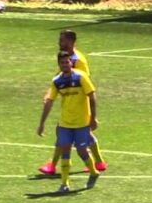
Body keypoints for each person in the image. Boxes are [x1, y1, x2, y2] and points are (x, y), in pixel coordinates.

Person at [39, 31, 107, 175]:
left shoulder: (78, 60)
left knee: (62, 131)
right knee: (85, 134)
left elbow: (84, 81)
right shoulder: (66, 57)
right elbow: (59, 77)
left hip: (80, 103)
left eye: (62, 40)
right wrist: (50, 93)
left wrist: (92, 114)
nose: (59, 43)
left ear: (70, 41)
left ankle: (53, 164)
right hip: (71, 102)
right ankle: (99, 162)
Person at [37, 51, 100, 193]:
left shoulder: (81, 77)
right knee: (65, 150)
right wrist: (42, 123)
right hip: (65, 123)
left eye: (67, 62)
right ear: (59, 64)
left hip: (82, 122)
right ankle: (65, 184)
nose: (65, 65)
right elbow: (49, 102)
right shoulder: (57, 81)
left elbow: (92, 96)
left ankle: (93, 171)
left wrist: (93, 117)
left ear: (71, 62)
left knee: (82, 151)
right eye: (62, 63)